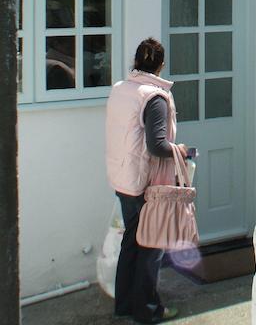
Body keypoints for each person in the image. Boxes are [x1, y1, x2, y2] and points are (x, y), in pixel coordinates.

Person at [105, 38, 188, 324]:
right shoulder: (154, 97)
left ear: (136, 62)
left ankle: (125, 305)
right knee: (151, 246)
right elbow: (156, 146)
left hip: (121, 178)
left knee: (132, 241)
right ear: (161, 65)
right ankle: (149, 310)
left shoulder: (120, 89)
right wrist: (183, 151)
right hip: (144, 182)